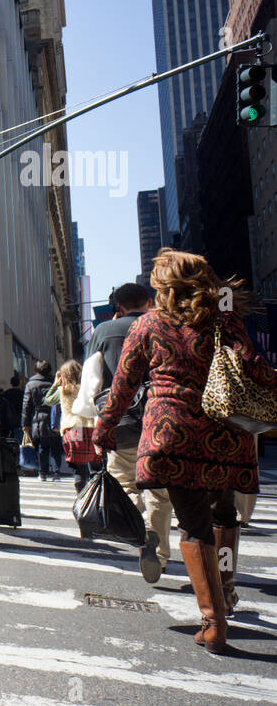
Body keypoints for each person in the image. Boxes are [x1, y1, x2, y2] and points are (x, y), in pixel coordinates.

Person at [96, 250, 277, 653]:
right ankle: (225, 590)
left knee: (194, 526)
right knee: (224, 514)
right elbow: (253, 365)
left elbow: (123, 384)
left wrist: (105, 427)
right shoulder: (225, 319)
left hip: (172, 436)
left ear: (163, 286)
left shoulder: (148, 324)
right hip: (227, 435)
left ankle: (214, 624)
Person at [87, 282, 172, 582]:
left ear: (117, 307)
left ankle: (141, 535)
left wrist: (97, 424)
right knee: (159, 493)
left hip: (120, 421)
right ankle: (158, 553)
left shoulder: (102, 332)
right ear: (149, 301)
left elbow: (91, 384)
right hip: (160, 422)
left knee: (124, 482)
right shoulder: (164, 325)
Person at [55, 360, 98, 492]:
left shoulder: (63, 390)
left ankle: (81, 496)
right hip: (90, 426)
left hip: (73, 428)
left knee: (79, 467)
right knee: (95, 464)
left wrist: (56, 382)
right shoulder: (87, 388)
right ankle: (95, 495)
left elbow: (47, 399)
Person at [22, 361, 62, 481]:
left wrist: (25, 424)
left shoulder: (31, 384)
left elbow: (26, 406)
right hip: (54, 417)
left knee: (42, 447)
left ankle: (43, 472)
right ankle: (56, 472)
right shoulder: (54, 383)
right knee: (55, 446)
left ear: (35, 370)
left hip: (38, 419)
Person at [1, 373, 24, 441]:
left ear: (11, 383)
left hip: (8, 417)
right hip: (19, 416)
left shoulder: (6, 393)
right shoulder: (22, 393)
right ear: (19, 383)